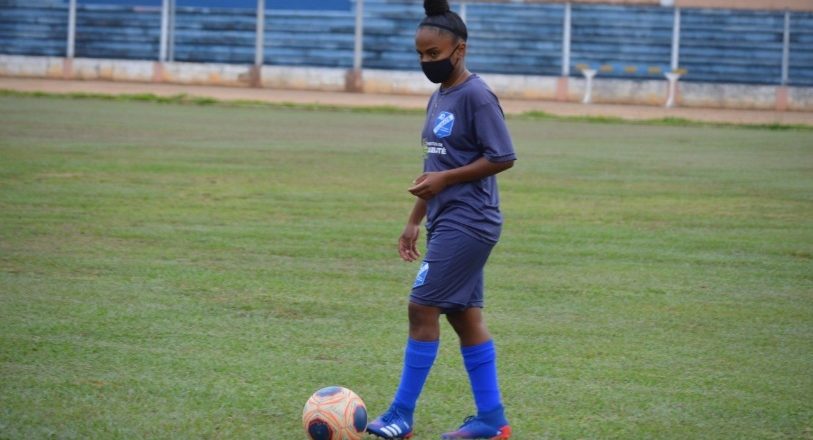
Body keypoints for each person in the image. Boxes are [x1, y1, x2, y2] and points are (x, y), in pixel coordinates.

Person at [366, 1, 517, 439]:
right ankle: (491, 420)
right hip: (447, 219)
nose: (426, 62)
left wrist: (447, 179)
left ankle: (400, 414)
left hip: (471, 222)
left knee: (421, 306)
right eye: (420, 55)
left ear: (459, 49)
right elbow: (434, 166)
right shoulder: (439, 96)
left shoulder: (476, 95)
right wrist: (415, 218)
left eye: (433, 54)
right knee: (463, 317)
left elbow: (503, 157)